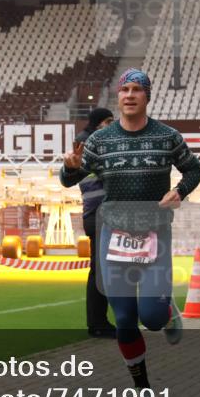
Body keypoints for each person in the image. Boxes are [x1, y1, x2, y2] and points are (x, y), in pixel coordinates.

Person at [60, 68, 200, 397]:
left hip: (155, 233)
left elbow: (194, 170)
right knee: (124, 319)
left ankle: (166, 311)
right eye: (124, 90)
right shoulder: (101, 141)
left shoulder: (167, 137)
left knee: (150, 318)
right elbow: (69, 178)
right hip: (114, 235)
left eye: (137, 89)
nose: (129, 95)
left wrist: (179, 191)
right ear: (118, 97)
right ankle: (142, 391)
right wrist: (70, 167)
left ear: (147, 96)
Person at [60, 107, 116, 339]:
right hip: (101, 213)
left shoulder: (89, 140)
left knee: (104, 270)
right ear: (98, 123)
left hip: (97, 213)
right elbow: (69, 176)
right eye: (108, 121)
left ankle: (100, 321)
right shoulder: (92, 143)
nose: (112, 125)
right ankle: (98, 323)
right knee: (102, 272)